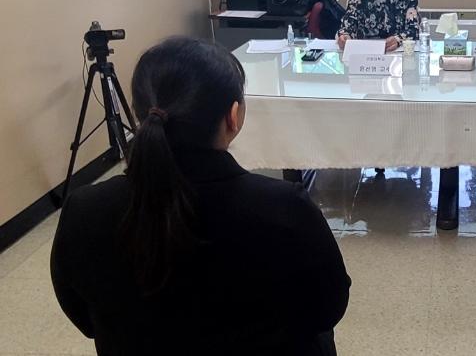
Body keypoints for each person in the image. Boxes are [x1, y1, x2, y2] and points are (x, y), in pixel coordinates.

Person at [51, 37, 350, 356]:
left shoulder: (84, 209)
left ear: (141, 114)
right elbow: (328, 306)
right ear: (233, 116)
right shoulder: (285, 206)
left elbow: (84, 316)